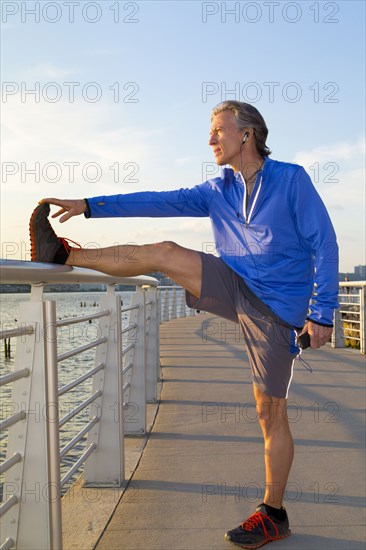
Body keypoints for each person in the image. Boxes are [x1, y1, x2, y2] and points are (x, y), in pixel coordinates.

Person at [29, 101, 339, 549]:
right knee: (165, 251)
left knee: (269, 412)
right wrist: (88, 205)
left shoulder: (291, 180)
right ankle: (64, 254)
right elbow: (158, 200)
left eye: (218, 131)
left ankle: (274, 513)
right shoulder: (218, 189)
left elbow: (324, 242)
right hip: (234, 283)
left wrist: (321, 312)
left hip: (275, 310)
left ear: (246, 134)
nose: (211, 139)